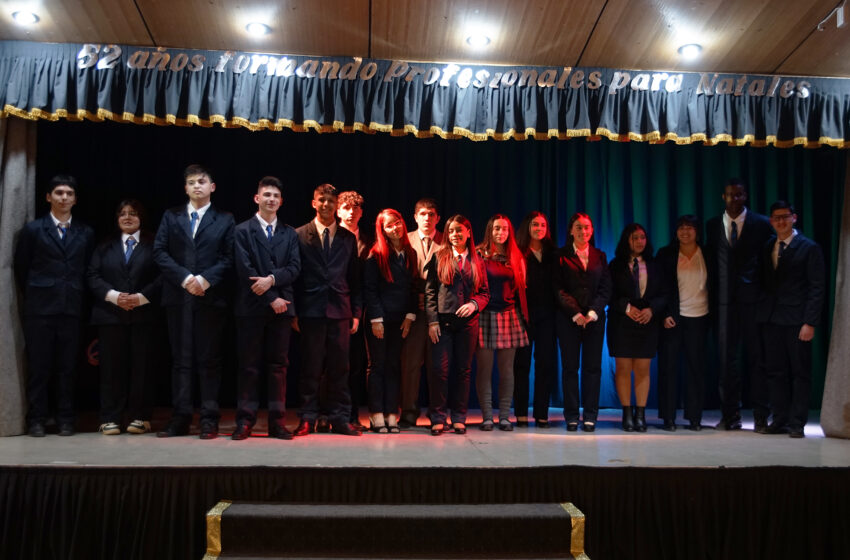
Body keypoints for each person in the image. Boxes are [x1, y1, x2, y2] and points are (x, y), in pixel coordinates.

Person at [153, 164, 235, 439]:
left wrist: (205, 280)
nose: (196, 186)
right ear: (185, 188)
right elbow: (160, 252)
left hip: (210, 299)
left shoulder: (225, 219)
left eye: (202, 181)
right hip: (178, 298)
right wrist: (186, 278)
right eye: (191, 182)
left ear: (212, 187)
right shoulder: (171, 216)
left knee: (209, 360)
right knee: (181, 361)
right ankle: (181, 417)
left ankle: (209, 419)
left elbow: (228, 257)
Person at [14, 175, 95, 437]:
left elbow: (87, 269)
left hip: (71, 308)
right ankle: (37, 418)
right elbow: (22, 267)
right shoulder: (33, 229)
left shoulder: (85, 232)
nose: (64, 198)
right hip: (40, 309)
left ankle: (66, 418)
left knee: (68, 368)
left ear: (75, 199)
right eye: (59, 193)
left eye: (69, 193)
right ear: (48, 196)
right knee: (39, 367)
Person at [231, 177, 301, 441]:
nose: (271, 199)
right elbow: (244, 270)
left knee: (278, 368)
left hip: (281, 311)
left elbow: (294, 268)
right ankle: (245, 421)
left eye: (276, 196)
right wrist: (271, 297)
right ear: (257, 199)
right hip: (251, 309)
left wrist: (271, 281)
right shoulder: (241, 231)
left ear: (281, 202)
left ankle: (277, 422)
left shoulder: (290, 233)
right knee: (249, 367)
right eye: (266, 195)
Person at [293, 183, 363, 437]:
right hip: (310, 312)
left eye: (331, 201)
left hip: (340, 311)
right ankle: (307, 418)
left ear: (336, 205)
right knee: (310, 368)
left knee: (340, 369)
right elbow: (294, 278)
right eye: (321, 200)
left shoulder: (347, 238)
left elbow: (354, 278)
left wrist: (356, 312)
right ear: (314, 203)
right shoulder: (299, 234)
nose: (326, 205)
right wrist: (294, 312)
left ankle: (340, 418)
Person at [87, 199, 161, 435]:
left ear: (142, 217)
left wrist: (141, 297)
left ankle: (140, 416)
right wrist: (113, 296)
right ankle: (110, 417)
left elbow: (163, 276)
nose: (128, 217)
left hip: (144, 314)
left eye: (133, 213)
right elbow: (92, 275)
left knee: (143, 368)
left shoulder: (155, 244)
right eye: (122, 214)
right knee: (111, 368)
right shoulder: (104, 245)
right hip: (110, 315)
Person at [704, 179, 773, 431]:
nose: (735, 199)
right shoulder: (712, 225)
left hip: (753, 301)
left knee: (757, 360)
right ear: (723, 196)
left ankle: (761, 416)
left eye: (739, 194)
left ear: (746, 196)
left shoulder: (763, 224)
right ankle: (730, 416)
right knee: (725, 362)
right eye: (730, 195)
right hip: (723, 303)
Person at [758, 201, 825, 438]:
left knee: (800, 373)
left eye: (785, 217)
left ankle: (797, 422)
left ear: (794, 218)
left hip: (798, 320)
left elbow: (816, 288)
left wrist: (810, 322)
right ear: (771, 221)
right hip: (773, 318)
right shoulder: (768, 246)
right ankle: (780, 419)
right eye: (776, 218)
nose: (780, 222)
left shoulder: (809, 248)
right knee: (775, 372)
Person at [425, 214, 489, 435]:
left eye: (459, 230)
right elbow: (430, 292)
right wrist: (432, 321)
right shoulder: (439, 256)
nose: (455, 235)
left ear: (468, 232)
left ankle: (459, 417)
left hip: (467, 323)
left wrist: (474, 304)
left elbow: (485, 293)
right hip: (442, 323)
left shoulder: (477, 260)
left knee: (463, 370)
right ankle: (438, 417)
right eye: (451, 231)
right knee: (439, 370)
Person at [554, 212, 611, 433]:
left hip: (594, 321)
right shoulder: (560, 256)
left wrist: (593, 312)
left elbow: (606, 288)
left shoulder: (600, 255)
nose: (583, 231)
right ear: (571, 230)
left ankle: (590, 416)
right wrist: (576, 313)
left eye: (586, 227)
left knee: (593, 368)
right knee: (570, 368)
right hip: (569, 320)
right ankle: (571, 416)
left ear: (592, 230)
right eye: (578, 227)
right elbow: (558, 289)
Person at [607, 223, 666, 432]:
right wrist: (625, 307)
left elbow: (664, 294)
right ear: (626, 240)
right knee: (623, 369)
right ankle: (627, 414)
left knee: (642, 369)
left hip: (647, 321)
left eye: (642, 237)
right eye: (635, 238)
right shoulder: (615, 265)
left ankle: (640, 414)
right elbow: (608, 294)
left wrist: (652, 309)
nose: (640, 242)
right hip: (622, 322)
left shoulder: (655, 264)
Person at [363, 209, 418, 433]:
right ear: (382, 230)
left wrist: (410, 316)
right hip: (379, 320)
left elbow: (414, 287)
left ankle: (391, 414)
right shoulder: (375, 254)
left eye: (397, 223)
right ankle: (376, 415)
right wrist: (376, 319)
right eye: (389, 226)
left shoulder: (410, 252)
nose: (395, 228)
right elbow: (370, 290)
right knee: (378, 366)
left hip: (400, 320)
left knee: (394, 367)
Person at [656, 215, 711, 431]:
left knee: (696, 370)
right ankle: (668, 417)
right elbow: (658, 287)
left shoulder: (708, 253)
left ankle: (694, 417)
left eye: (690, 227)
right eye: (680, 228)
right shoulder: (665, 254)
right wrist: (664, 314)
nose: (685, 231)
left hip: (700, 317)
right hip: (673, 319)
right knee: (669, 369)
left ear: (697, 231)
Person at [475, 214, 529, 431]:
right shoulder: (479, 254)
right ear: (490, 230)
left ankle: (505, 416)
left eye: (505, 229)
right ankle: (487, 416)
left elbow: (521, 288)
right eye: (497, 228)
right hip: (485, 315)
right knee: (484, 370)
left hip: (509, 315)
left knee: (507, 371)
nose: (500, 233)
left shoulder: (516, 257)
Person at [399, 198, 443, 428]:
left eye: (431, 214)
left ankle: (438, 413)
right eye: (423, 214)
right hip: (413, 310)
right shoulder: (405, 239)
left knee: (438, 365)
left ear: (438, 218)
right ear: (415, 217)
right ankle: (408, 411)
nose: (427, 218)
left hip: (440, 312)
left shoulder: (447, 240)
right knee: (411, 363)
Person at [514, 211, 558, 428]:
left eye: (542, 225)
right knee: (521, 365)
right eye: (535, 225)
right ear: (527, 227)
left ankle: (542, 414)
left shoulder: (554, 254)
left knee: (545, 365)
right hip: (523, 316)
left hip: (548, 317)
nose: (539, 228)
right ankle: (521, 413)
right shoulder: (518, 253)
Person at [335, 190, 371, 431]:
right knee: (329, 366)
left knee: (356, 366)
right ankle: (328, 414)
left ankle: (352, 414)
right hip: (332, 310)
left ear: (360, 212)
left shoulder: (369, 242)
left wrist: (359, 312)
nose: (350, 213)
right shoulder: (329, 236)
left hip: (361, 313)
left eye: (355, 209)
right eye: (346, 208)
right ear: (338, 210)